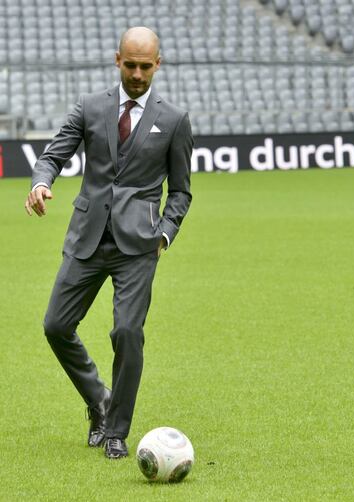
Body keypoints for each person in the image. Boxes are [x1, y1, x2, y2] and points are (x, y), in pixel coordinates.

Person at [24, 27, 193, 459]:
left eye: (145, 66)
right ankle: (99, 400)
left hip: (139, 245)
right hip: (87, 236)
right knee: (56, 326)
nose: (137, 74)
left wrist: (166, 233)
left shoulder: (173, 120)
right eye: (130, 64)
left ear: (159, 64)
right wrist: (42, 182)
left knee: (127, 332)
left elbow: (181, 191)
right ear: (117, 59)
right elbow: (52, 155)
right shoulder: (90, 107)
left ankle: (116, 429)